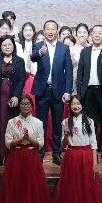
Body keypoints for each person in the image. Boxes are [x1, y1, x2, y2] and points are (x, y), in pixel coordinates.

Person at [0, 95, 51, 203]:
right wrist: (20, 139)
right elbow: (7, 143)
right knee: (15, 186)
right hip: (15, 156)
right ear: (19, 106)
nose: (25, 106)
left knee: (31, 187)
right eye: (23, 104)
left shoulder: (38, 122)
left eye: (28, 104)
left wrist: (29, 139)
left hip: (31, 157)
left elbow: (41, 144)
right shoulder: (12, 122)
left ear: (32, 106)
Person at [53, 94, 102, 203]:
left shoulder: (89, 121)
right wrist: (66, 135)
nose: (76, 106)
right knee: (72, 186)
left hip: (86, 156)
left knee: (87, 185)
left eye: (78, 104)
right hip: (71, 156)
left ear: (82, 106)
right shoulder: (65, 122)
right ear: (69, 106)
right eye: (73, 104)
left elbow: (93, 142)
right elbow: (63, 145)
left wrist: (95, 162)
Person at [32, 20, 73, 165]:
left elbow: (68, 71)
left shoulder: (64, 48)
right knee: (40, 124)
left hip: (58, 91)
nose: (50, 31)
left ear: (57, 31)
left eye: (53, 29)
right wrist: (39, 53)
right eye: (47, 29)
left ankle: (57, 153)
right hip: (42, 91)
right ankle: (40, 153)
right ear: (44, 31)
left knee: (57, 124)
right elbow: (33, 58)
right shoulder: (38, 46)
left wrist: (67, 91)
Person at [0, 35, 27, 166]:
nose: (7, 47)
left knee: (11, 124)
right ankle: (0, 154)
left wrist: (16, 96)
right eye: (4, 45)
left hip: (12, 95)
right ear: (0, 47)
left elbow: (21, 79)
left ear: (13, 46)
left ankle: (10, 153)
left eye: (9, 44)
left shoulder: (19, 61)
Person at [76, 24, 102, 166]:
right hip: (88, 93)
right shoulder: (85, 52)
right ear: (91, 35)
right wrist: (80, 94)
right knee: (91, 125)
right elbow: (80, 74)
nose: (97, 35)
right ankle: (91, 155)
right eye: (95, 33)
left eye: (100, 33)